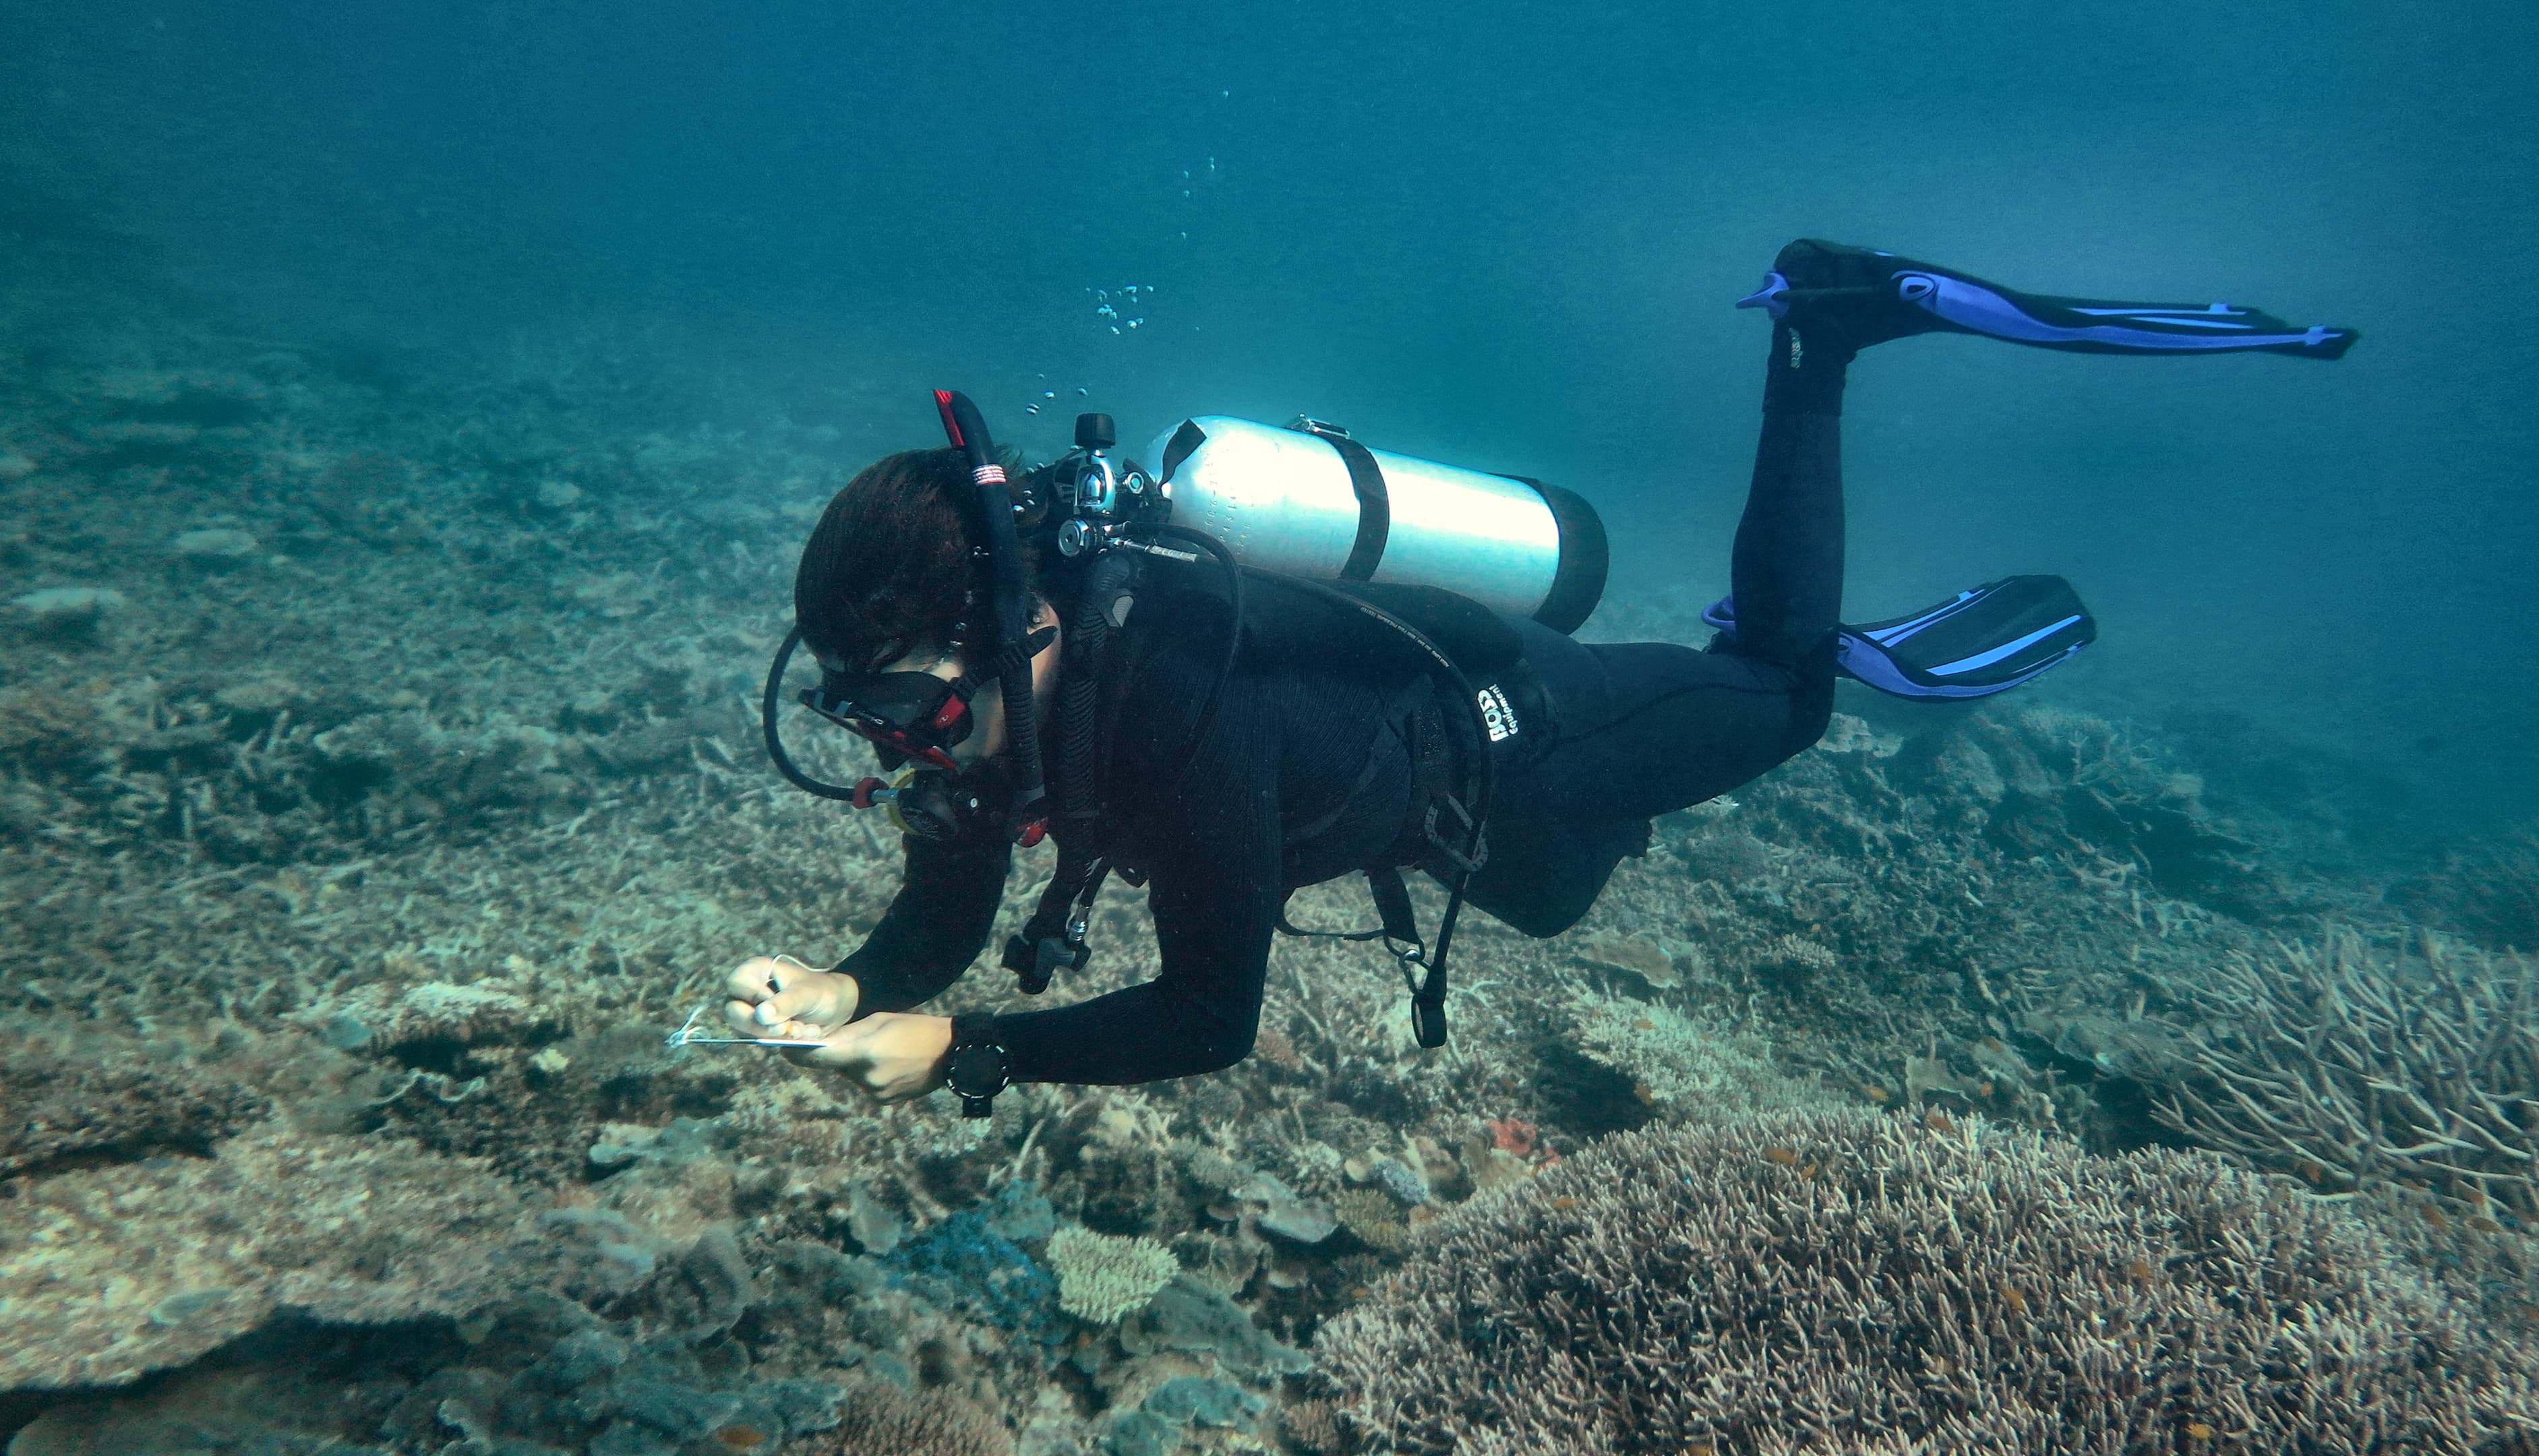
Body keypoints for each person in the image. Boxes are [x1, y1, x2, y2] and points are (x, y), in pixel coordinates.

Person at [719, 239, 2352, 1110]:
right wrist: (860, 986)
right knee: (1562, 903)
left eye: (921, 707)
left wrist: (970, 1052)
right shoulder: (1002, 710)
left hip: (1526, 729)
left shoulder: (1178, 705)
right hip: (1439, 828)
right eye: (869, 716)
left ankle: (1827, 330)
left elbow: (1212, 1017)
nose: (910, 750)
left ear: (1023, 627)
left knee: (1782, 704)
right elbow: (948, 894)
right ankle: (1737, 660)